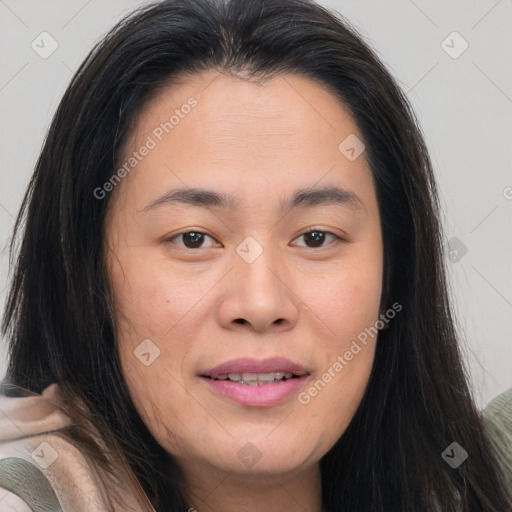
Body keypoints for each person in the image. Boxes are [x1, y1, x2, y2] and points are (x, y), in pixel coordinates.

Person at [1, 0, 511, 510]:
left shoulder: (478, 479)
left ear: (393, 270)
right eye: (193, 239)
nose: (261, 302)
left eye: (315, 238)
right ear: (89, 274)